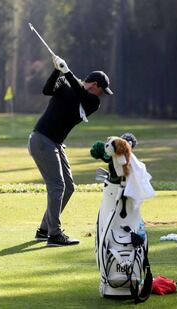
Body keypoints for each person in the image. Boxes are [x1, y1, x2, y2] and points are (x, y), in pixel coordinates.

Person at [28, 55, 113, 247]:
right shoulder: (66, 85)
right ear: (95, 85)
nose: (102, 94)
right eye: (102, 90)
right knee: (57, 186)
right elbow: (47, 90)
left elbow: (80, 94)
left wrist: (67, 72)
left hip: (55, 143)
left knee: (69, 186)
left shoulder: (93, 102)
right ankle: (54, 234)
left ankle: (44, 229)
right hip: (42, 140)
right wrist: (57, 70)